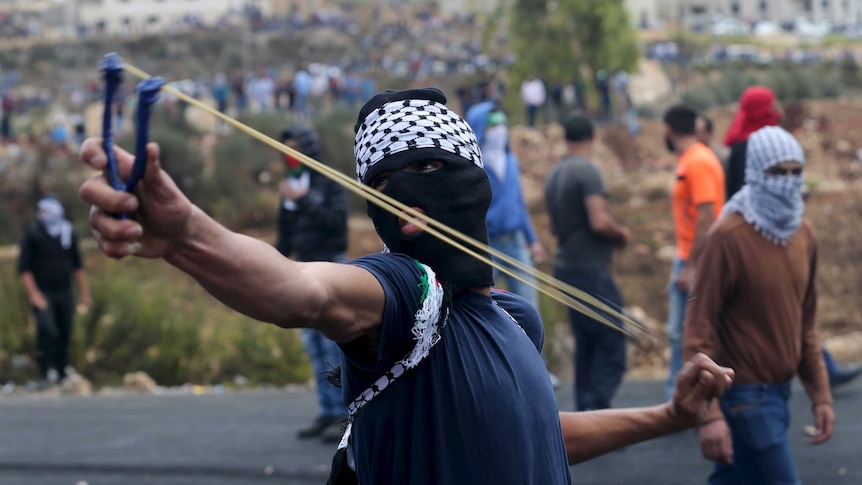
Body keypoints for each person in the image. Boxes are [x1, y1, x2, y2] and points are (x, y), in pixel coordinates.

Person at [79, 87, 734, 485]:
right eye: (388, 187)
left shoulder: (512, 320)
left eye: (431, 168)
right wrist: (188, 235)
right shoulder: (409, 292)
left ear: (473, 178)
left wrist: (669, 416)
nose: (413, 197)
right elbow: (303, 291)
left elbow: (536, 433)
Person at [683, 126, 834, 484]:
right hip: (745, 399)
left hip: (781, 396)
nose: (787, 180)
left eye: (795, 171)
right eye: (776, 172)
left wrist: (821, 395)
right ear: (754, 174)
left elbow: (805, 322)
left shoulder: (803, 234)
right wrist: (711, 415)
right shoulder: (728, 237)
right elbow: (697, 333)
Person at [722, 87, 862, 388]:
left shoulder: (747, 147)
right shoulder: (750, 148)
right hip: (760, 241)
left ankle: (817, 371)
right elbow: (744, 197)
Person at [545, 113, 630, 411]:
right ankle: (599, 409)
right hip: (589, 268)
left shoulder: (556, 173)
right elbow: (598, 221)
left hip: (565, 266)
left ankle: (587, 412)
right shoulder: (588, 172)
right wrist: (620, 233)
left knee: (586, 344)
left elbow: (554, 227)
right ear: (593, 137)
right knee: (612, 341)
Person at [275, 126, 349, 444]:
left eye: (295, 148)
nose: (290, 156)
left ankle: (346, 414)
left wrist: (304, 201)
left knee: (334, 343)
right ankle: (327, 410)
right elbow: (286, 236)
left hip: (330, 267)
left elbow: (337, 225)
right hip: (301, 270)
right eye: (285, 150)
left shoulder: (328, 181)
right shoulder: (293, 185)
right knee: (313, 345)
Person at [663, 105, 725, 400]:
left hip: (692, 258)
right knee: (683, 332)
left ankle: (680, 399)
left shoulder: (697, 161)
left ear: (669, 130)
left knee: (684, 332)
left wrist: (691, 265)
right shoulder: (693, 158)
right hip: (689, 256)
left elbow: (707, 214)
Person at [465, 97, 546, 311]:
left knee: (529, 306)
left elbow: (519, 202)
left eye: (502, 122)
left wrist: (533, 240)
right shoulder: (473, 166)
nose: (499, 129)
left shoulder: (511, 160)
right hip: (487, 245)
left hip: (515, 242)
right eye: (493, 123)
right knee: (481, 307)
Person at [17, 196, 91, 387]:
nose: (43, 215)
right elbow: (24, 268)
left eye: (46, 211)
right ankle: (43, 373)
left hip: (65, 291)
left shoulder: (68, 232)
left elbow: (78, 266)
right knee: (47, 330)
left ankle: (61, 373)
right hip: (43, 292)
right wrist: (34, 294)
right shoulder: (33, 233)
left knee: (64, 332)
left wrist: (84, 294)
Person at [723, 86, 782, 199]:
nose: (778, 113)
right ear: (759, 112)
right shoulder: (746, 148)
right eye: (772, 108)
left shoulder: (751, 144)